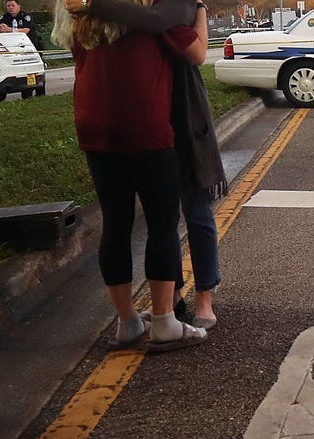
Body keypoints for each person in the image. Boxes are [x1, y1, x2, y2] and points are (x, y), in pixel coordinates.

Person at [52, 0, 208, 350]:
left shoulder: (79, 18)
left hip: (95, 126)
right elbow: (197, 53)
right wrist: (199, 13)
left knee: (116, 223)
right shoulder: (150, 21)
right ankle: (166, 321)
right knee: (162, 223)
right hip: (145, 125)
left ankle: (127, 322)